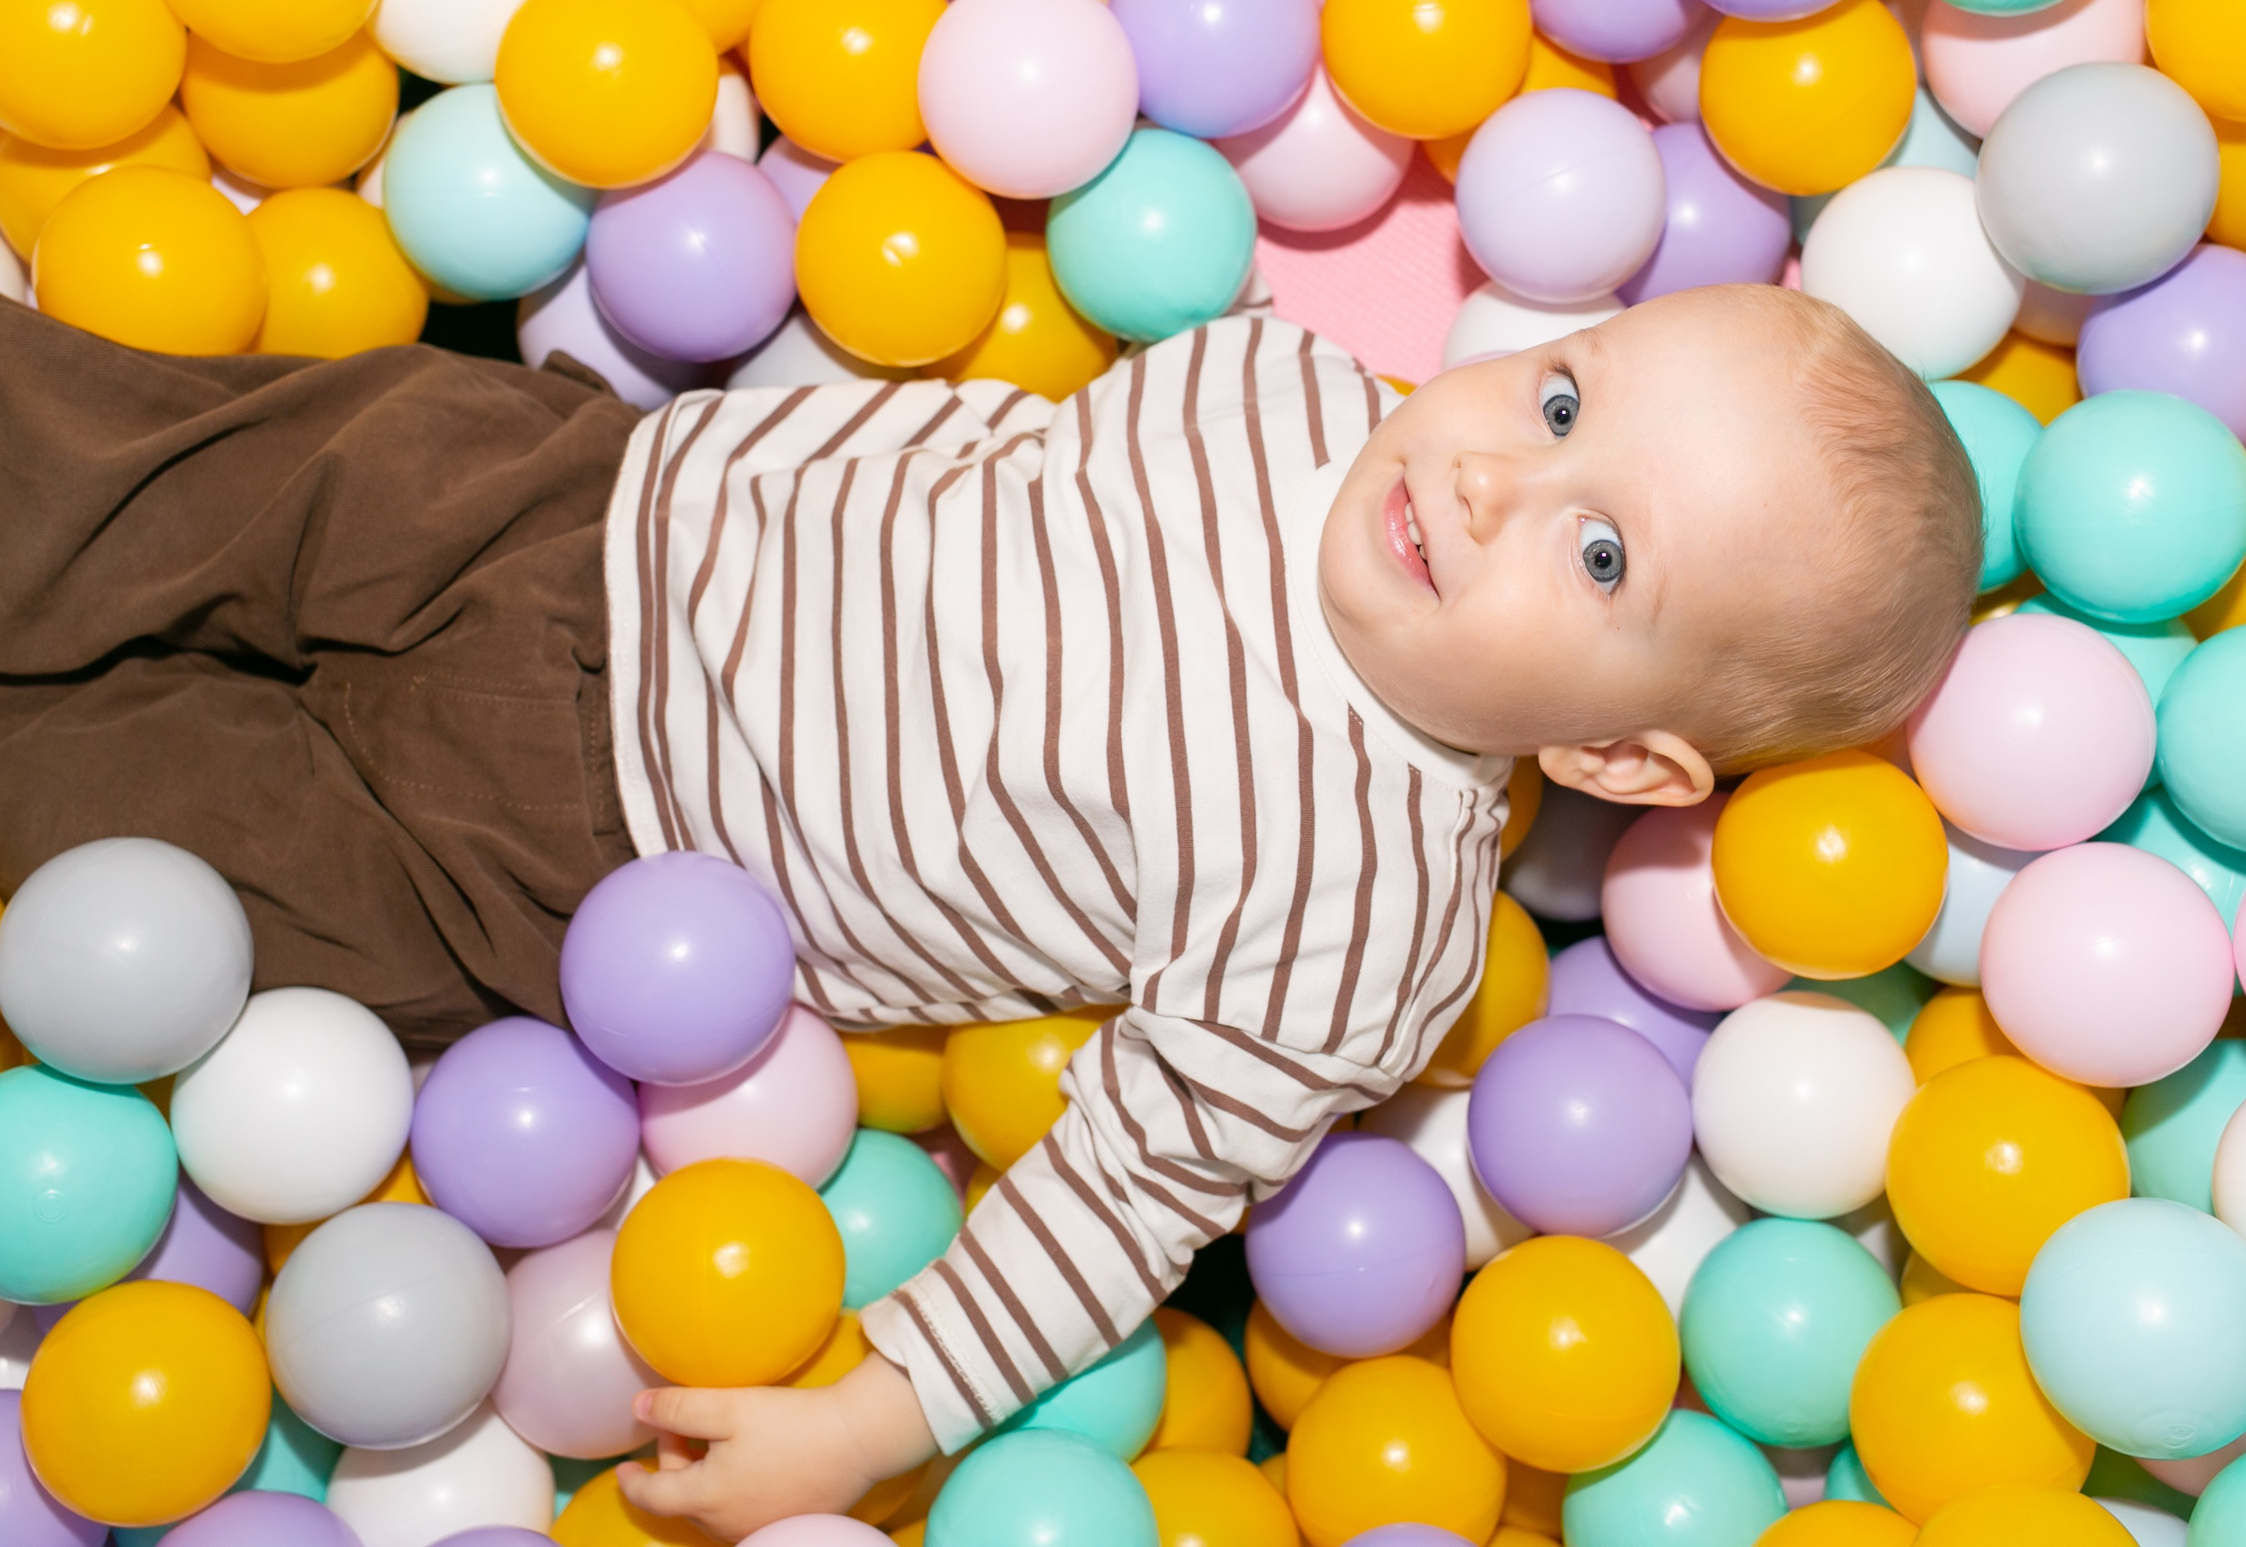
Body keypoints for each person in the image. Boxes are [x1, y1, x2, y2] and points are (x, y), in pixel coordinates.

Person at [0, 280, 1980, 1532]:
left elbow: (1121, 1196)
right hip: (587, 501)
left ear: (1625, 768)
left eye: (1603, 555)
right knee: (164, 467)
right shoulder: (1285, 383)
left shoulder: (1359, 916)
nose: (1489, 485)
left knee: (125, 849)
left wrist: (868, 1421)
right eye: (1561, 404)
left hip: (560, 851)